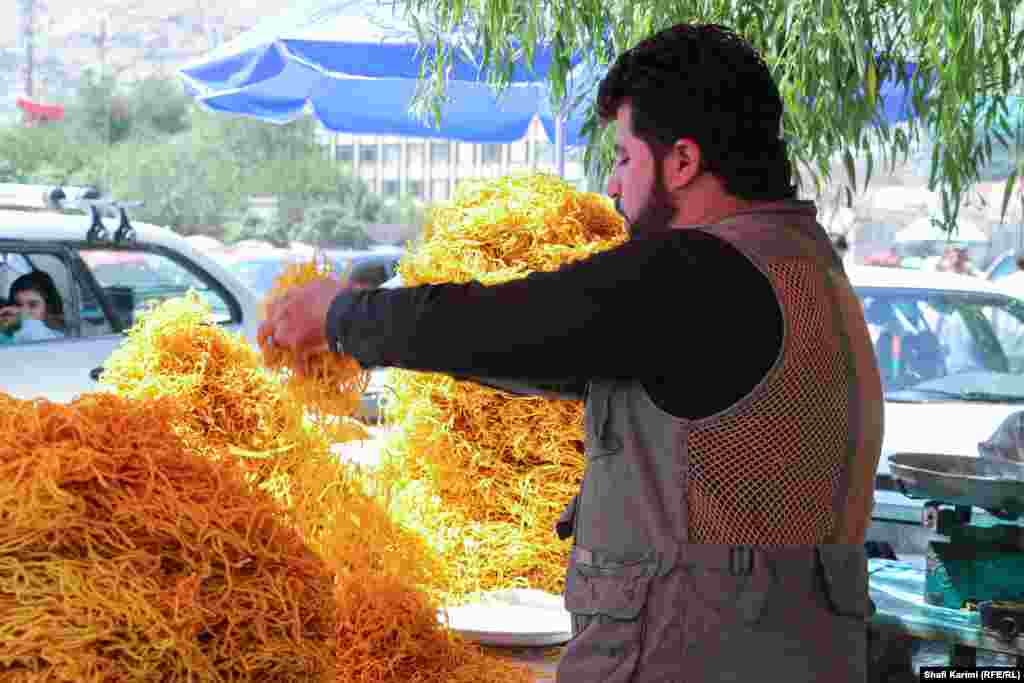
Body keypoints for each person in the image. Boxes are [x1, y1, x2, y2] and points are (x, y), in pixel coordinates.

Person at [260, 23, 882, 683]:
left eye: (623, 158)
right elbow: (559, 354)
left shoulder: (699, 273)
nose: (612, 188)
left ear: (682, 161)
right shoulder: (803, 266)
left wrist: (339, 316)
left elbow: (508, 325)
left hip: (693, 655)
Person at [0, 271, 65, 343]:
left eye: (33, 305)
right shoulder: (6, 333)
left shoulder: (59, 340)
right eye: (18, 305)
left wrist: (24, 322)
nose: (24, 311)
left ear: (48, 308)